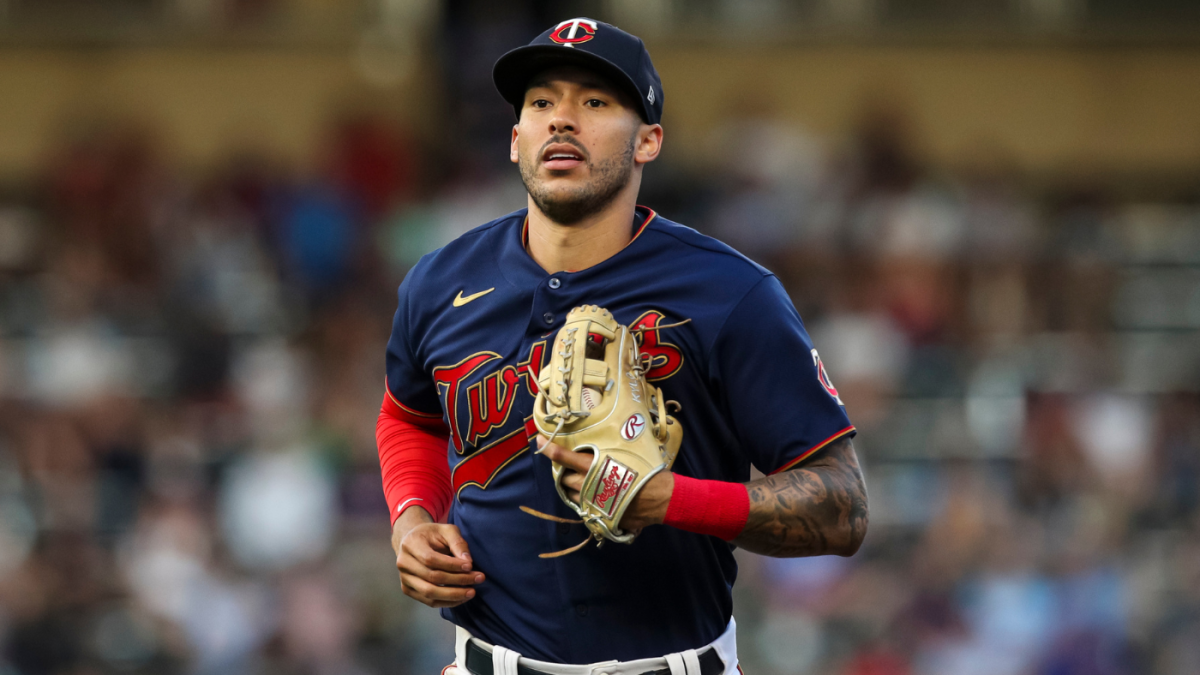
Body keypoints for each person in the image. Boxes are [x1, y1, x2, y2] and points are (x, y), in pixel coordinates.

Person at [377, 18, 868, 675]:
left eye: (596, 102)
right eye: (542, 102)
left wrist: (671, 498)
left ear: (649, 141)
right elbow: (408, 415)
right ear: (516, 137)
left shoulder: (730, 293)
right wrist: (411, 517)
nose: (562, 120)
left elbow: (842, 507)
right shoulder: (441, 280)